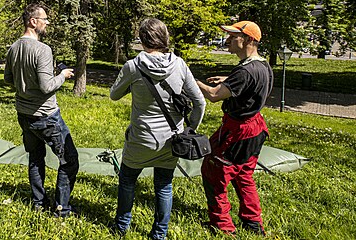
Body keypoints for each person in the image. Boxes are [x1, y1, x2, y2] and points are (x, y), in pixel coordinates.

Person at [110, 18, 206, 238]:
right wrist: (190, 128)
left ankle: (121, 227)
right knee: (164, 185)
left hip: (140, 139)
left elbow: (114, 94)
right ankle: (159, 234)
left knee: (127, 180)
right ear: (165, 38)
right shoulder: (179, 65)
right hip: (172, 141)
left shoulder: (133, 66)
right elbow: (200, 102)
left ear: (142, 39)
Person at [195, 20, 273, 236]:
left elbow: (212, 95)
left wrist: (189, 79)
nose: (227, 40)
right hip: (255, 129)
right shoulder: (262, 65)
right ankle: (253, 223)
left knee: (214, 173)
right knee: (244, 175)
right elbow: (250, 80)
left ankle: (223, 226)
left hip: (237, 132)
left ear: (248, 39)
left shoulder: (245, 72)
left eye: (232, 36)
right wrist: (228, 80)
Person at [4, 4, 79, 217]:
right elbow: (47, 87)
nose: (47, 23)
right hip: (46, 115)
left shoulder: (13, 48)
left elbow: (8, 79)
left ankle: (39, 203)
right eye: (44, 19)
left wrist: (25, 85)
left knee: (35, 158)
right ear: (33, 21)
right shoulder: (43, 49)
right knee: (69, 160)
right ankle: (62, 209)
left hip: (24, 114)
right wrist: (62, 76)